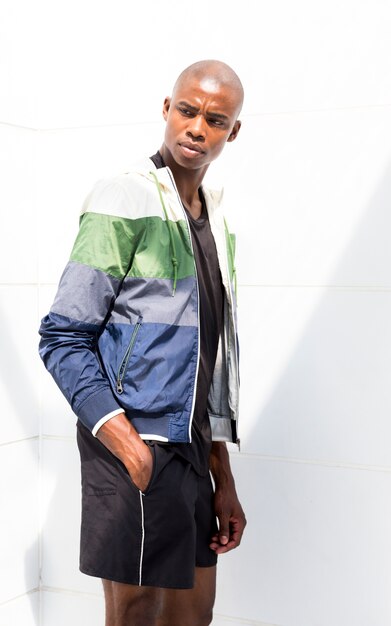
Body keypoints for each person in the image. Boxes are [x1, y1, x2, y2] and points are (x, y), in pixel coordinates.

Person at [39, 59, 246, 626]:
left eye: (215, 119)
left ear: (233, 130)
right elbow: (62, 337)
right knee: (137, 615)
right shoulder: (123, 198)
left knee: (192, 612)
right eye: (187, 110)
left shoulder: (214, 217)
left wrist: (222, 477)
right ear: (166, 109)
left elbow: (203, 365)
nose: (197, 128)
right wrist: (129, 447)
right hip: (132, 446)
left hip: (192, 450)